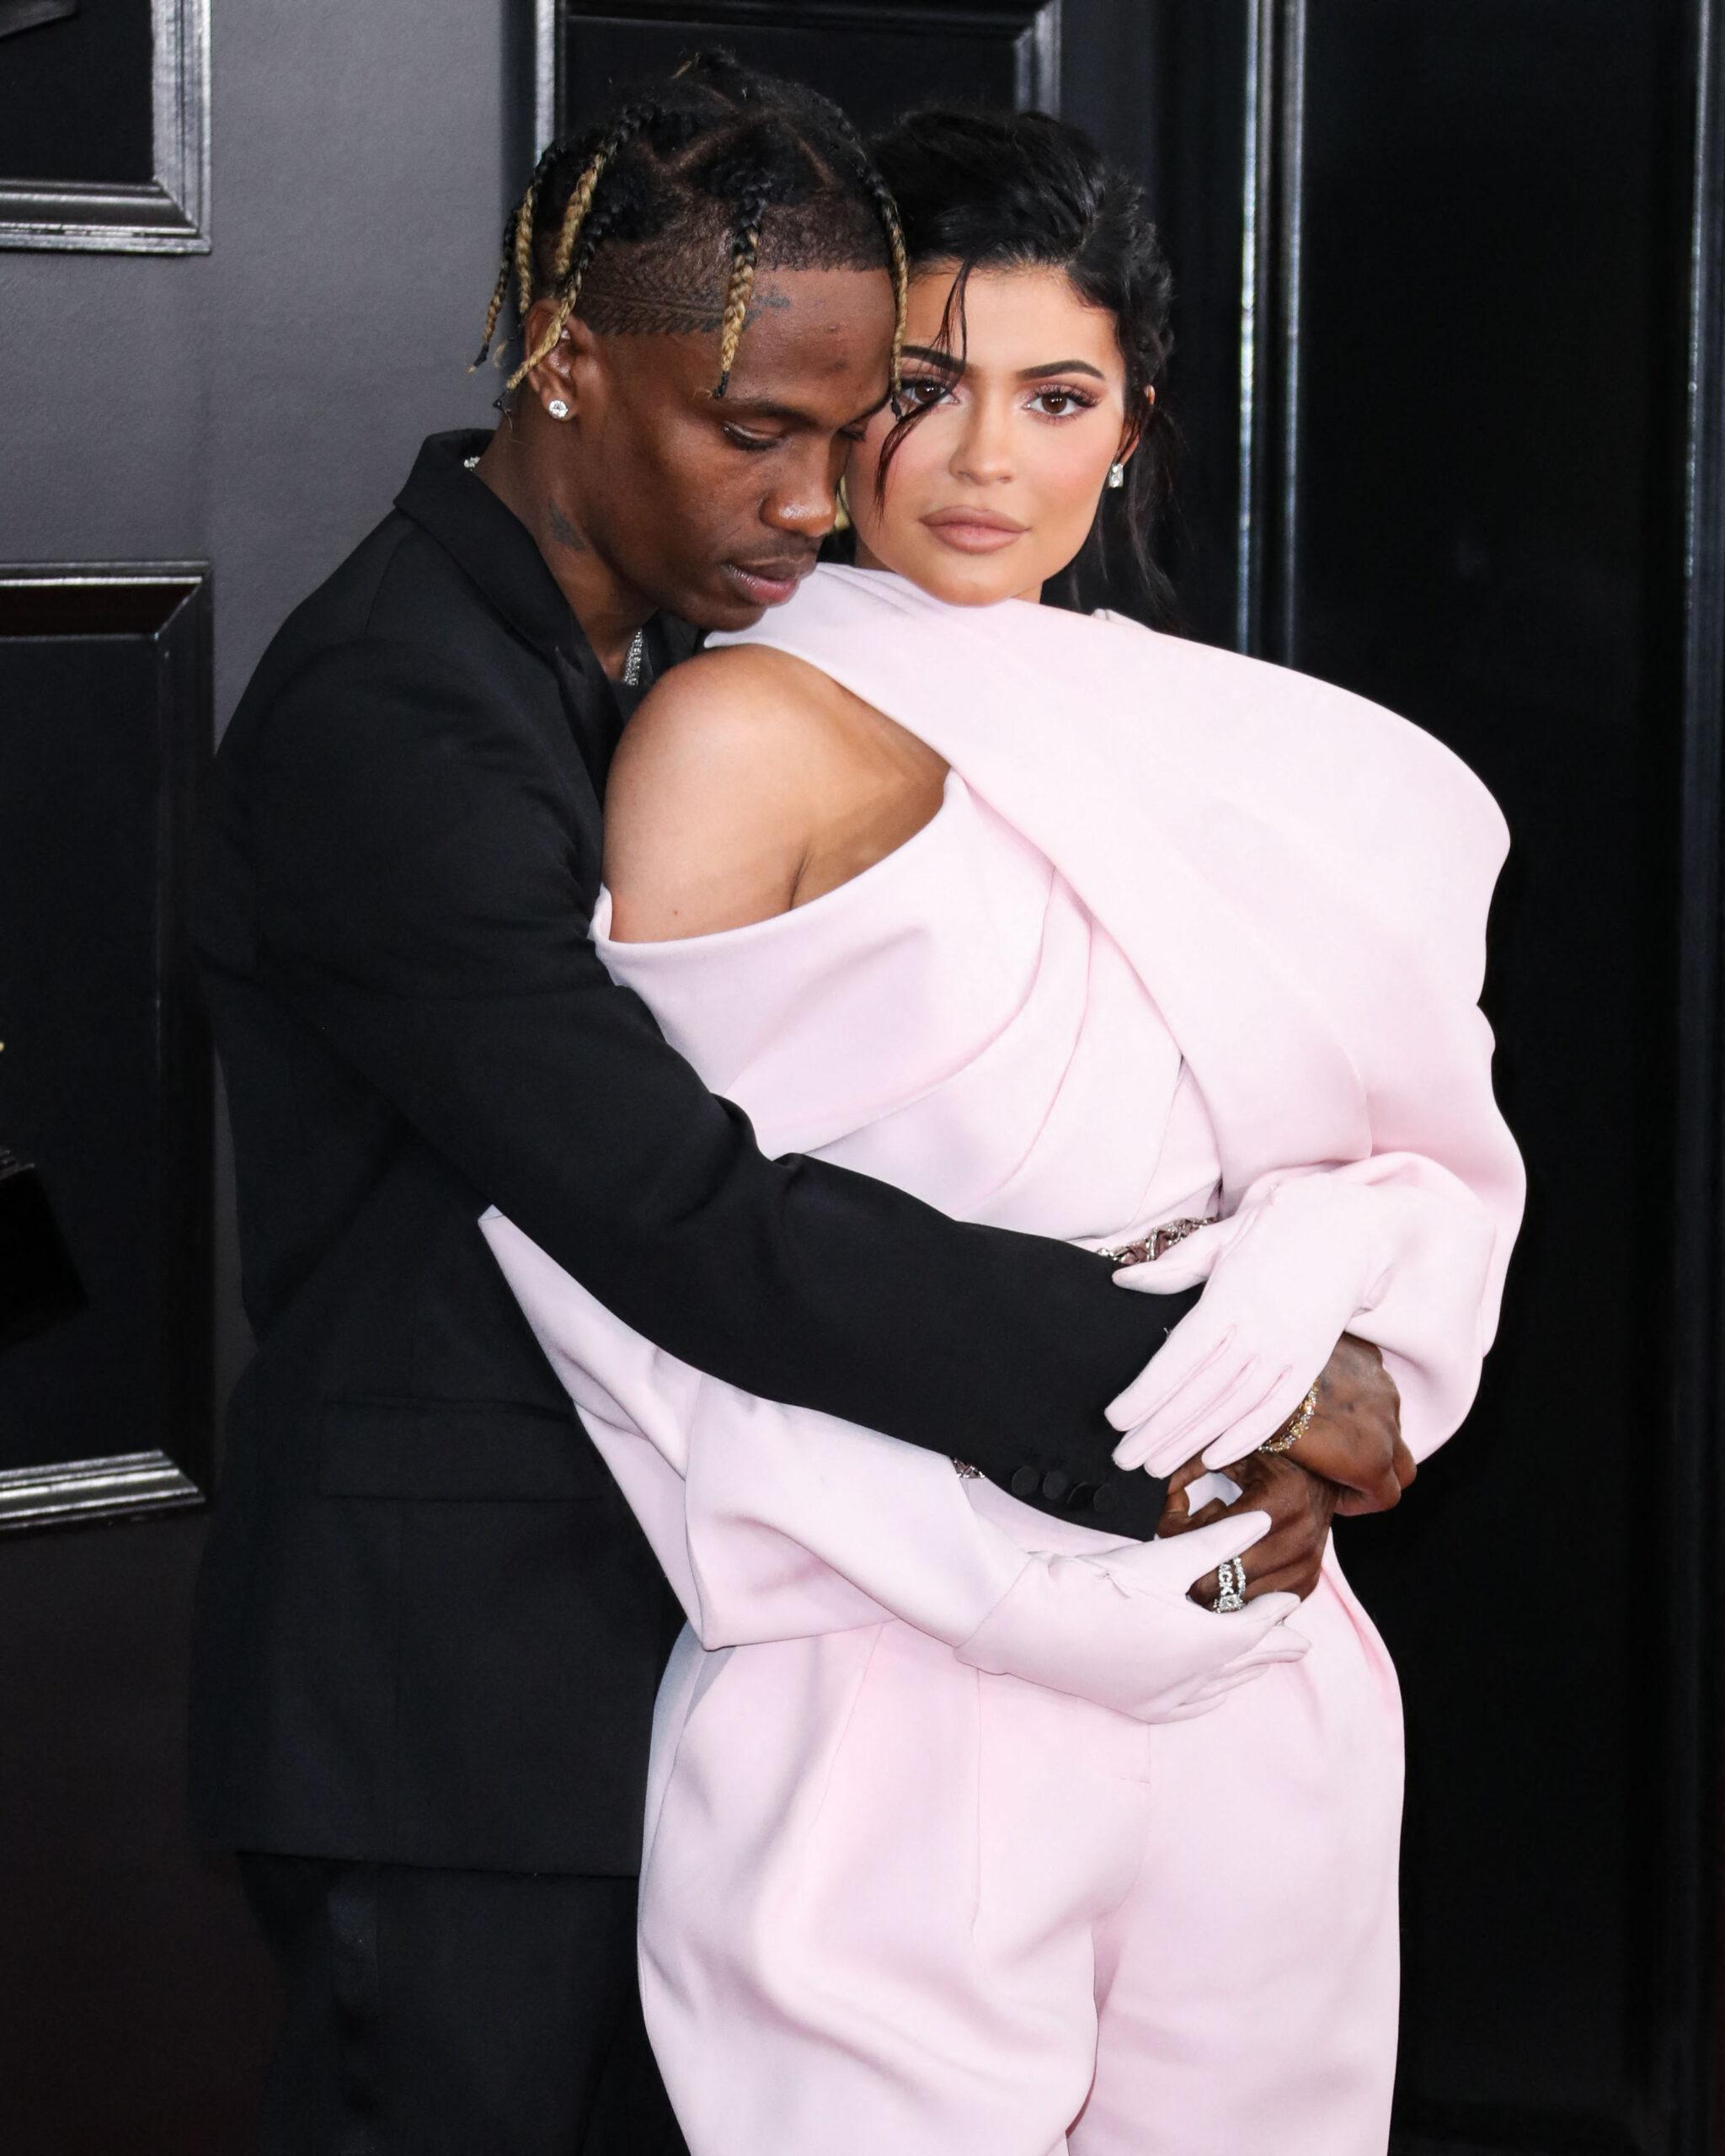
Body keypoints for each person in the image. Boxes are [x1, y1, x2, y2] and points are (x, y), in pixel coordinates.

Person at [189, 56, 1400, 2156]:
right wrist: (1197, 1394)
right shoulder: (395, 712)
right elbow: (676, 1211)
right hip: (444, 1707)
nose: (815, 497)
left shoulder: (620, 664)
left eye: (847, 436)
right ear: (567, 365)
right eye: (756, 433)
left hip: (659, 1650)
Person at [483, 105, 1525, 2155]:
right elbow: (647, 1263)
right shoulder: (732, 727)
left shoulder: (1257, 745)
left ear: (1132, 423)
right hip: (899, 1679)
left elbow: (1424, 1177)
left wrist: (1312, 1307)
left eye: (1056, 396)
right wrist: (1069, 1550)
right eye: (924, 390)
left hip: (1262, 1659)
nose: (981, 465)